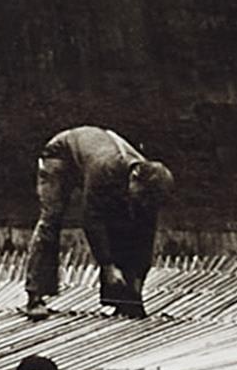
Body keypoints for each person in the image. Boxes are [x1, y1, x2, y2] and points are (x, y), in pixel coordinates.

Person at [24, 121, 175, 320]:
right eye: (142, 198)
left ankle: (121, 301)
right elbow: (92, 220)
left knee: (124, 222)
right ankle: (35, 295)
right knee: (51, 219)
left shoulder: (147, 187)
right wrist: (108, 265)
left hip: (91, 159)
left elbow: (144, 237)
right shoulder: (105, 168)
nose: (144, 204)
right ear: (134, 178)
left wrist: (136, 291)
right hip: (60, 157)